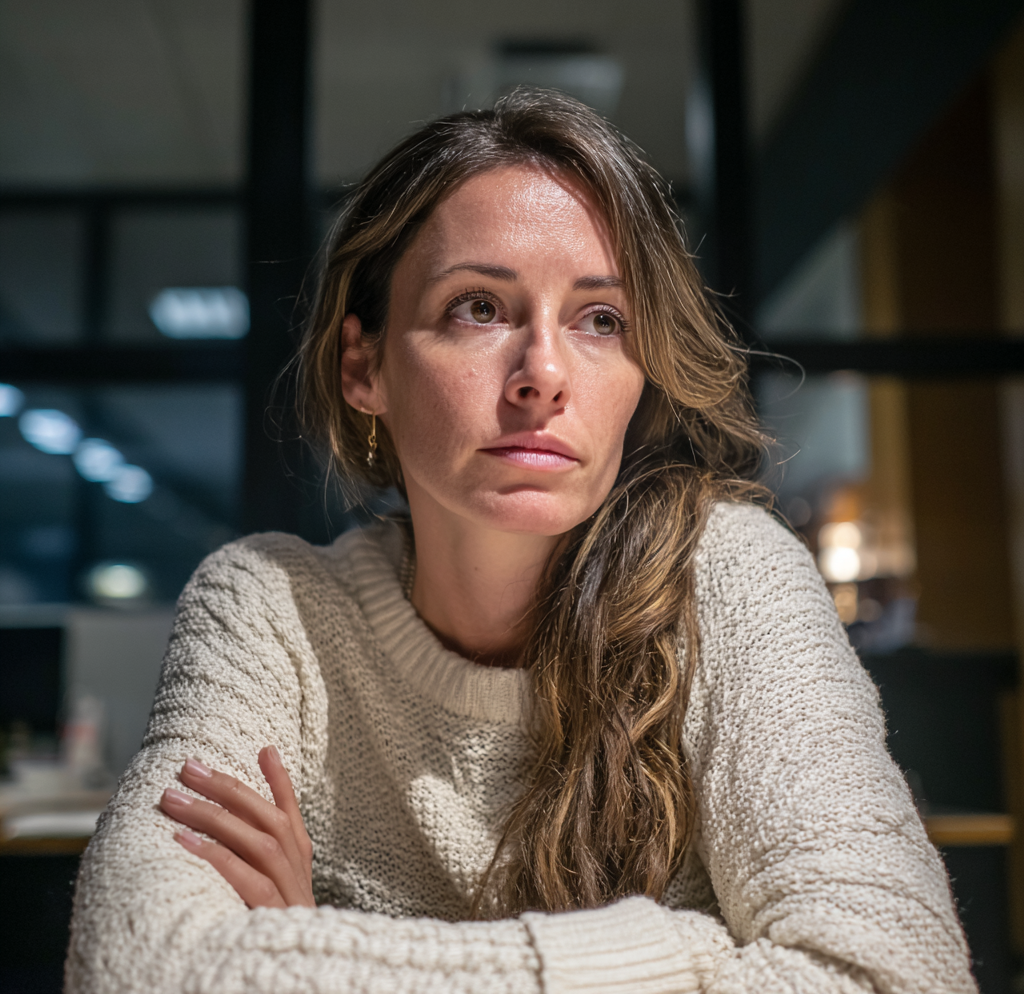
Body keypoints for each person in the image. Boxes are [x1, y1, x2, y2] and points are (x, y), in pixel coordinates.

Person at [66, 90, 974, 993]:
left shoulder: (728, 576)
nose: (542, 373)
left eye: (600, 320)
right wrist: (670, 961)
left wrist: (308, 947)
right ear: (364, 365)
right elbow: (137, 964)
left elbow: (895, 974)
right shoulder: (268, 604)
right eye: (478, 309)